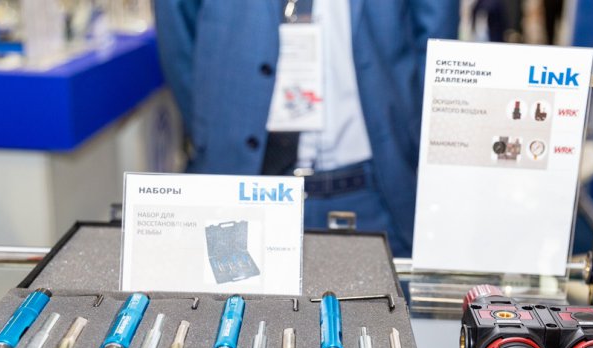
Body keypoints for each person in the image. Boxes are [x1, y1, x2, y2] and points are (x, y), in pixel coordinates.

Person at [154, 0, 459, 256]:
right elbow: (178, 34)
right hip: (240, 186)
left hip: (377, 193)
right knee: (231, 309)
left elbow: (436, 33)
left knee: (384, 309)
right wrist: (216, 132)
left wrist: (413, 137)